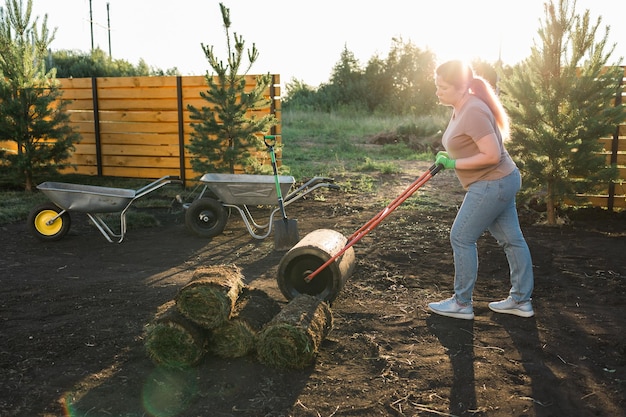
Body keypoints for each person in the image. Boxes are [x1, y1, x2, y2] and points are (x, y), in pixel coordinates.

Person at [427, 60, 534, 320]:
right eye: (436, 86)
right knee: (511, 240)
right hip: (499, 180)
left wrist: (454, 163)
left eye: (443, 87)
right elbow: (469, 142)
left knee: (461, 236)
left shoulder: (473, 109)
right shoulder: (461, 106)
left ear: (461, 87)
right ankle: (521, 301)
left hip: (492, 182)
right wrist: (449, 153)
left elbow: (491, 154)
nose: (437, 92)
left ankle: (462, 304)